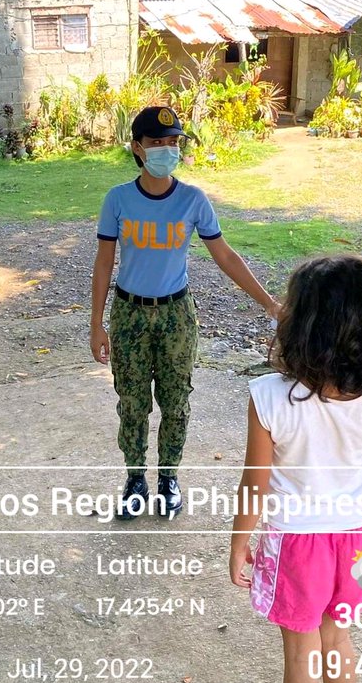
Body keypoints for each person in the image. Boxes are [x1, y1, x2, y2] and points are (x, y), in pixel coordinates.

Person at [230, 255, 362, 683]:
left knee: (301, 654)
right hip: (357, 536)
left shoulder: (269, 397)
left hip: (297, 541)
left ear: (300, 325)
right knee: (337, 640)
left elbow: (255, 483)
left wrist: (238, 542)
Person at [90, 106, 279, 520]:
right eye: (157, 143)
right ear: (138, 148)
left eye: (173, 142)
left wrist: (269, 303)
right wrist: (96, 325)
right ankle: (135, 479)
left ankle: (168, 479)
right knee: (132, 403)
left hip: (176, 314)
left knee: (176, 403)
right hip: (129, 315)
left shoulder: (193, 200)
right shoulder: (118, 200)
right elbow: (104, 263)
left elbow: (225, 255)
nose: (167, 149)